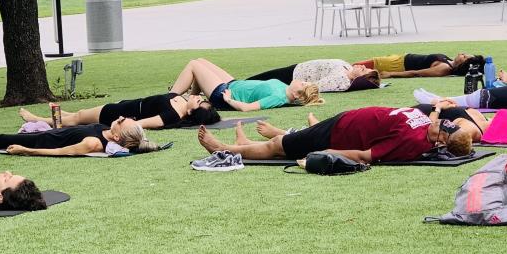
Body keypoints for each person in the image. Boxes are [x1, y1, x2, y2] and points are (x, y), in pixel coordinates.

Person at [193, 103, 476, 163]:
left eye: (445, 128)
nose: (441, 123)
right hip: (343, 122)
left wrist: (330, 153)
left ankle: (225, 150)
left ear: (441, 141)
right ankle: (243, 144)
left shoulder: (411, 143)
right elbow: (432, 116)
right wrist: (438, 109)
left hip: (338, 137)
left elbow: (367, 155)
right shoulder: (428, 125)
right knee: (283, 141)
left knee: (279, 145)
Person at [0, 116, 156, 156]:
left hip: (42, 141)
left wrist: (27, 150)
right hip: (49, 132)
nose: (119, 118)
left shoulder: (93, 143)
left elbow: (61, 152)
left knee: (3, 138)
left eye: (121, 122)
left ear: (118, 138)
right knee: (0, 138)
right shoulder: (102, 128)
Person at [171, 57, 320, 111]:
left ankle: (170, 99)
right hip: (233, 84)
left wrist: (229, 100)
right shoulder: (285, 89)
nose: (302, 81)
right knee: (200, 61)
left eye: (303, 84)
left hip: (223, 94)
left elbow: (248, 108)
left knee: (193, 65)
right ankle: (190, 100)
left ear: (296, 95)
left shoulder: (278, 97)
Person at [18, 93, 220, 130]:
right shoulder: (182, 100)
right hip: (126, 104)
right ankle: (56, 117)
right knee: (79, 115)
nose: (199, 98)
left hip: (120, 113)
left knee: (77, 119)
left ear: (194, 112)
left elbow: (142, 123)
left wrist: (122, 122)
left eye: (200, 102)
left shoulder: (173, 115)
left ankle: (38, 120)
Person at [247, 60, 380, 93]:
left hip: (292, 77)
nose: (363, 66)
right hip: (296, 68)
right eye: (366, 67)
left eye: (364, 71)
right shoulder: (347, 67)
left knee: (253, 83)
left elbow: (316, 87)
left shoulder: (341, 80)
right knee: (253, 80)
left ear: (360, 79)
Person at [353, 52, 482, 79]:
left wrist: (391, 74)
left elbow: (417, 72)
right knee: (355, 67)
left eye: (464, 57)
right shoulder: (448, 61)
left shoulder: (444, 68)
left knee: (354, 67)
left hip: (396, 65)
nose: (462, 53)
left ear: (462, 64)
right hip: (398, 59)